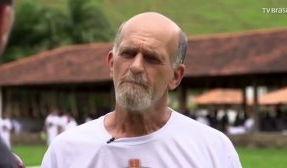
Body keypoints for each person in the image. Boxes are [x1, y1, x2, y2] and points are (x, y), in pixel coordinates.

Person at [41, 12, 242, 168]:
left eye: (152, 58)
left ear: (175, 76)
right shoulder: (66, 149)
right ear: (111, 64)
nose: (136, 66)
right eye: (128, 53)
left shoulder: (212, 149)